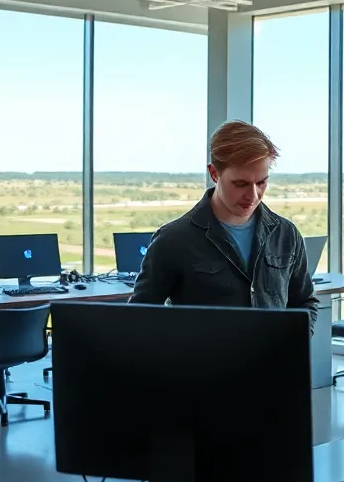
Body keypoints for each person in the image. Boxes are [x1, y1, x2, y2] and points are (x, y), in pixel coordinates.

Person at [129, 120, 318, 333]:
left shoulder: (286, 234)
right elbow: (140, 318)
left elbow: (304, 303)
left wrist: (291, 345)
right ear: (214, 174)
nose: (253, 196)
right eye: (240, 184)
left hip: (273, 365)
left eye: (261, 183)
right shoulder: (172, 240)